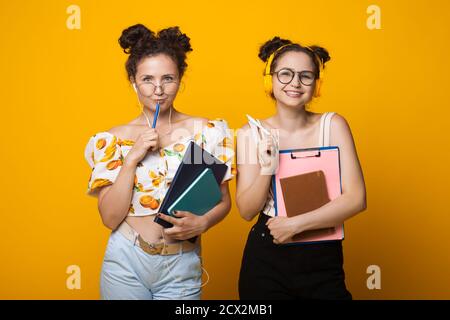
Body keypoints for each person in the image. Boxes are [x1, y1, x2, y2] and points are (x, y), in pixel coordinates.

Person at [84, 24, 234, 300]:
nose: (158, 90)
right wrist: (132, 158)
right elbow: (110, 218)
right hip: (126, 260)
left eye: (168, 78)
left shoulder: (207, 131)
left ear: (180, 79)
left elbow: (223, 201)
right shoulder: (112, 140)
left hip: (182, 262)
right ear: (133, 81)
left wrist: (204, 223)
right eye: (147, 79)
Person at [236, 36, 366, 299]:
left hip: (322, 253)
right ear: (269, 79)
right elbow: (246, 210)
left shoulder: (333, 125)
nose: (295, 83)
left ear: (315, 85)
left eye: (305, 76)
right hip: (267, 254)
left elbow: (356, 198)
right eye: (285, 74)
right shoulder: (250, 133)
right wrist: (266, 168)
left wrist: (296, 225)